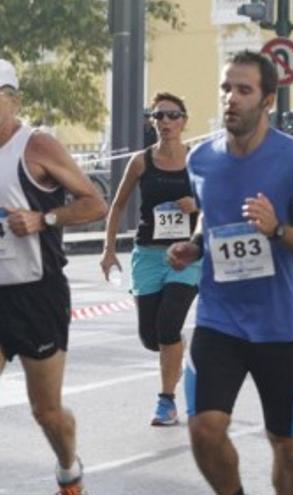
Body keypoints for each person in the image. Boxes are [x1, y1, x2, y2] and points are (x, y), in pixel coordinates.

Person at [167, 50, 293, 495]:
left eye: (243, 90)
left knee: (287, 442)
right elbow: (210, 219)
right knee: (203, 429)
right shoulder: (201, 159)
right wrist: (194, 246)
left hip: (281, 325)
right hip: (221, 319)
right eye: (225, 88)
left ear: (268, 100)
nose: (231, 98)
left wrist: (276, 229)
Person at [0, 58, 108, 495]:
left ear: (11, 100)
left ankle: (68, 466)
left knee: (46, 411)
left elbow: (94, 203)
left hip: (36, 293)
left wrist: (43, 219)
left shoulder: (36, 146)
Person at [100, 92, 200, 426]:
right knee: (151, 336)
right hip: (148, 253)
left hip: (186, 256)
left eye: (173, 116)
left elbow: (218, 202)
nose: (166, 122)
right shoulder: (141, 161)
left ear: (184, 121)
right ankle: (174, 349)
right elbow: (117, 205)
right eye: (159, 116)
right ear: (152, 122)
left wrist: (197, 206)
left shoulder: (197, 161)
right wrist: (108, 250)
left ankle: (167, 401)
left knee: (168, 325)